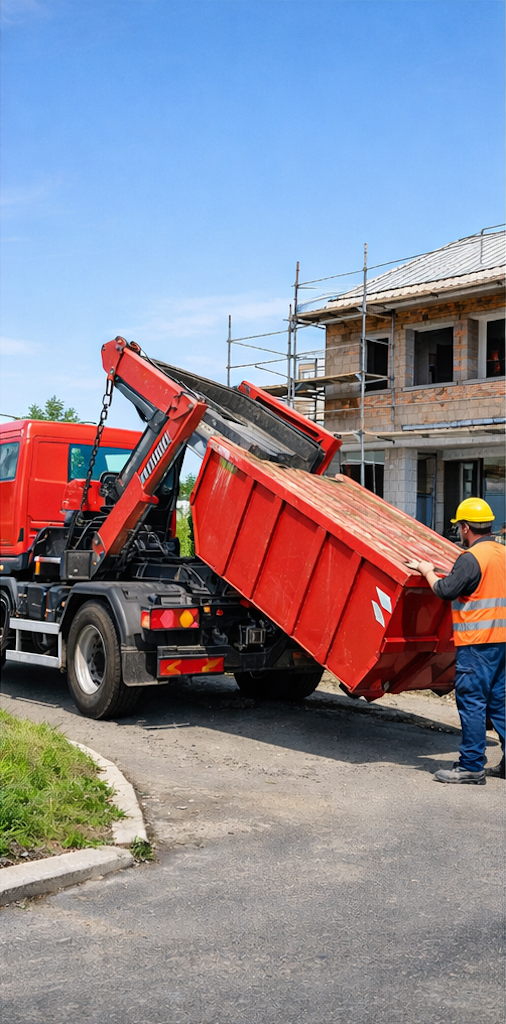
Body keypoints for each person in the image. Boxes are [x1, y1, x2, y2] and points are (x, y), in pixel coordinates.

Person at [406, 497, 505, 784]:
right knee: (500, 703)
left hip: (476, 644)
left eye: (459, 527)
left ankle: (471, 766)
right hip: (501, 642)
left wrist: (426, 570)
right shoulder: (502, 553)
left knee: (472, 702)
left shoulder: (471, 559)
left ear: (464, 528)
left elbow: (446, 590)